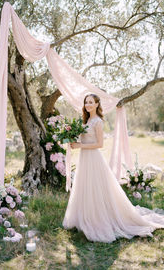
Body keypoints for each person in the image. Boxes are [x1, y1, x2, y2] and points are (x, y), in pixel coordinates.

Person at [62, 93, 164, 243]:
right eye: (86, 102)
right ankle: (83, 218)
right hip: (84, 158)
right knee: (85, 187)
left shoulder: (97, 121)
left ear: (97, 104)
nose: (88, 105)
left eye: (91, 102)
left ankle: (99, 219)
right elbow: (83, 139)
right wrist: (71, 138)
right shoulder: (86, 120)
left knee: (96, 187)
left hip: (94, 159)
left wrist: (80, 145)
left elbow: (99, 144)